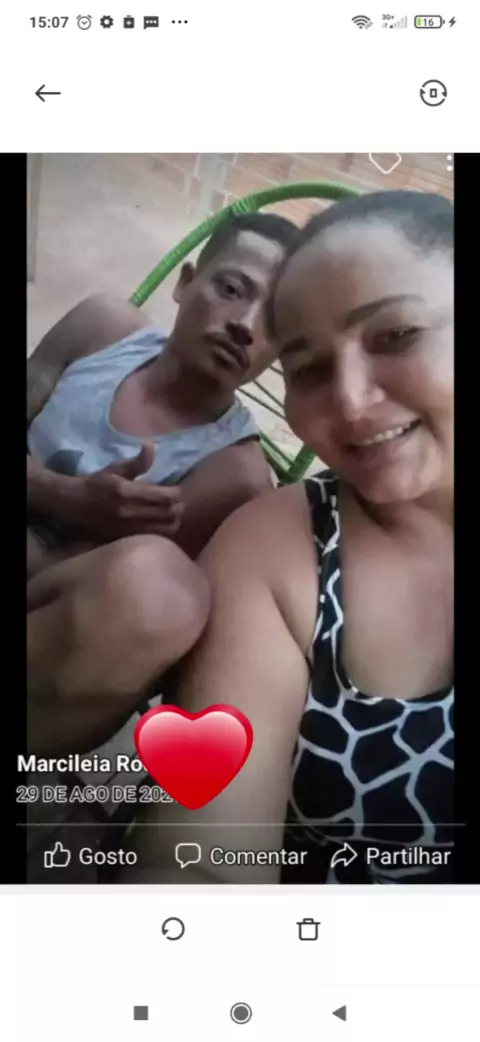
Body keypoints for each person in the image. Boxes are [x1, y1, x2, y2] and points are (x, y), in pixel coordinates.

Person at [124, 191, 454, 885]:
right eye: (309, 369)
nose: (351, 402)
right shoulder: (280, 550)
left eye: (395, 335)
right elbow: (200, 868)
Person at [27, 212, 298, 755]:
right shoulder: (100, 330)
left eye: (273, 321)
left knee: (161, 593)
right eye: (231, 289)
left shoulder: (233, 477)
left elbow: (95, 623)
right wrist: (65, 496)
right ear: (185, 282)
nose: (245, 325)